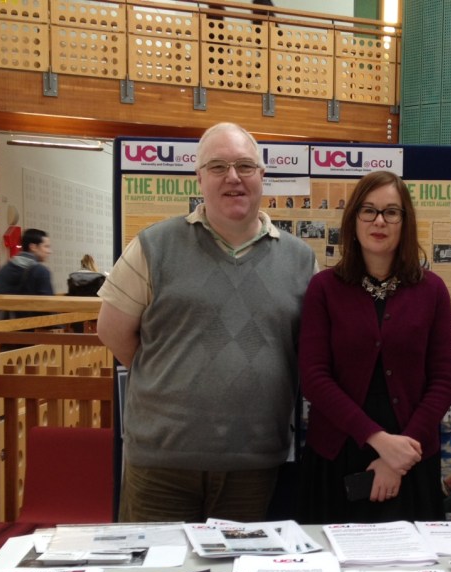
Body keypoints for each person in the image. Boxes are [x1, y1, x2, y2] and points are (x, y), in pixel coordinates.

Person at [97, 122, 317, 524]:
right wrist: (170, 377)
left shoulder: (301, 261)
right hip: (160, 465)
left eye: (245, 166)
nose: (233, 177)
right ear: (199, 177)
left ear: (262, 176)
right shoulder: (153, 246)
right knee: (157, 566)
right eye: (218, 167)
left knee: (240, 566)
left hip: (254, 466)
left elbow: (309, 350)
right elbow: (112, 331)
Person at [297, 170, 451, 523]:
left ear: (405, 221)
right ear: (353, 219)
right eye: (368, 210)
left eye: (391, 212)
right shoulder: (324, 288)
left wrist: (397, 458)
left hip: (412, 456)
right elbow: (314, 378)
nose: (379, 221)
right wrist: (379, 441)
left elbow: (444, 381)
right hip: (337, 455)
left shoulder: (432, 290)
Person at [0, 228, 54, 316]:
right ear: (33, 247)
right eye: (46, 246)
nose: (49, 251)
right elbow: (49, 307)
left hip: (4, 322)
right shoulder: (41, 271)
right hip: (33, 323)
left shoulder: (3, 270)